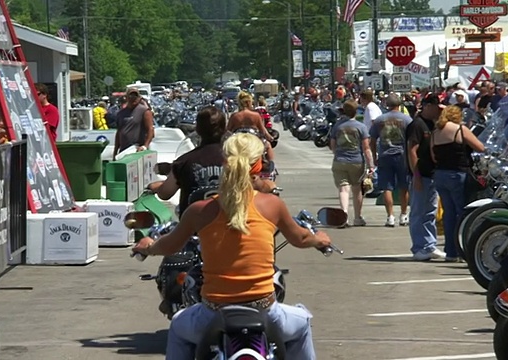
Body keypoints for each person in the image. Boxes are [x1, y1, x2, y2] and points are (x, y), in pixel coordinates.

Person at [132, 134, 331, 360]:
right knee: (302, 322)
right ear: (258, 166)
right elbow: (301, 239)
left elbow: (169, 245)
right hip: (265, 309)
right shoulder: (272, 205)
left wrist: (149, 247)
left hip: (212, 312)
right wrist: (319, 239)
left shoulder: (199, 210)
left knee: (178, 325)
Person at [148, 107, 226, 217]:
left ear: (198, 129)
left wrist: (158, 187)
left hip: (191, 228)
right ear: (224, 129)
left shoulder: (184, 162)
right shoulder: (237, 161)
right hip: (230, 227)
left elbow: (165, 194)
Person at [431, 106, 485, 262]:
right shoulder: (460, 129)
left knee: (449, 214)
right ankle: (463, 250)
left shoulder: (435, 133)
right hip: (457, 173)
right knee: (463, 213)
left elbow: (434, 157)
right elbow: (480, 147)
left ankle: (450, 252)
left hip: (440, 174)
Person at [406, 93, 446, 261]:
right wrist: (416, 175)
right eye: (436, 107)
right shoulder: (417, 125)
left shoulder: (432, 124)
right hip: (420, 174)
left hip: (431, 174)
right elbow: (412, 151)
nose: (438, 110)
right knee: (418, 212)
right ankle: (418, 247)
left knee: (430, 211)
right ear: (428, 106)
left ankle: (429, 244)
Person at [330, 99, 374, 226]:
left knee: (343, 189)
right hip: (357, 161)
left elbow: (332, 144)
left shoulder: (337, 126)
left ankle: (344, 216)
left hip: (340, 160)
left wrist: (337, 154)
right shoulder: (361, 127)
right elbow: (366, 148)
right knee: (357, 189)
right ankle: (358, 217)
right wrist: (371, 165)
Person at [370, 94, 411, 227]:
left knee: (387, 187)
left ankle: (390, 216)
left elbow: (372, 139)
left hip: (385, 154)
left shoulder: (379, 120)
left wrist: (374, 155)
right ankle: (404, 215)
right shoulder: (406, 119)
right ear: (399, 104)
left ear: (387, 104)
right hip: (402, 155)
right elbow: (412, 139)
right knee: (404, 186)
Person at [113, 87, 154, 159]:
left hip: (137, 150)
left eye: (136, 96)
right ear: (126, 97)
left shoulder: (144, 111)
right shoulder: (121, 113)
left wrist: (145, 146)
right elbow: (119, 132)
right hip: (124, 150)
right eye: (131, 96)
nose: (133, 98)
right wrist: (115, 152)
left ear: (139, 97)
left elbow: (150, 129)